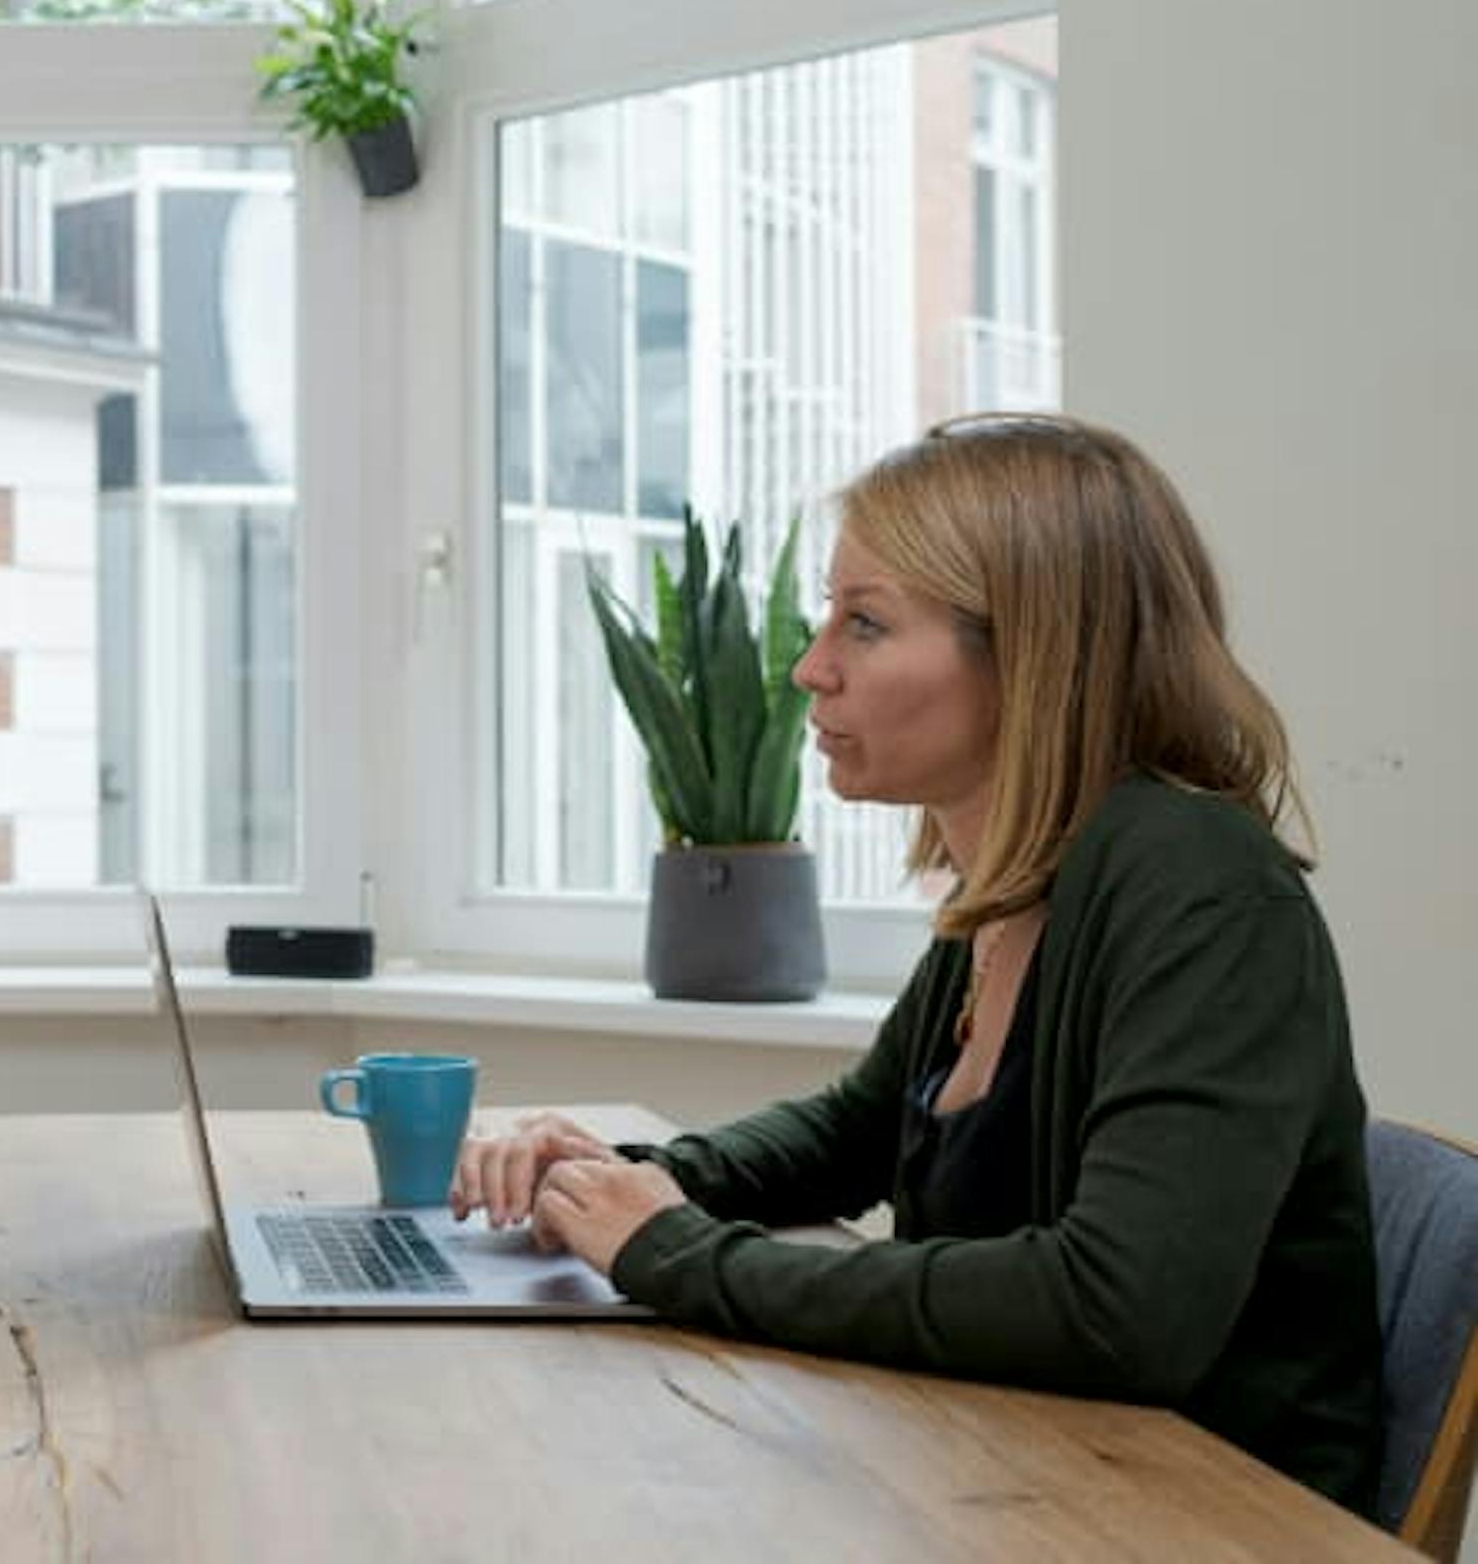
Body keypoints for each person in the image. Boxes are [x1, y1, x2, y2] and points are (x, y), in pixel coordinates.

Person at [453, 414, 1381, 1511]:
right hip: (1023, 1483)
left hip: (1207, 1524)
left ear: (1031, 655)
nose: (811, 669)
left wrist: (682, 1255)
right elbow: (856, 1130)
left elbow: (1119, 1308)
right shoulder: (1022, 880)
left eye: (867, 626)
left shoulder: (1203, 892)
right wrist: (633, 1175)